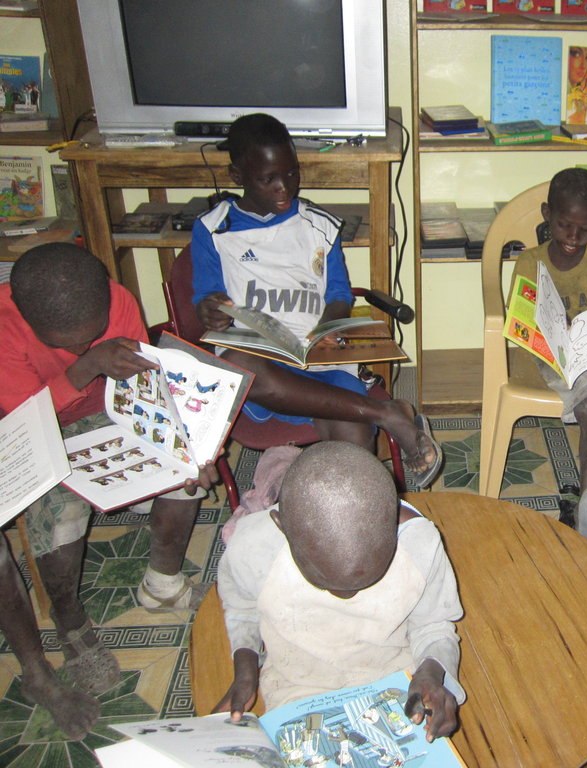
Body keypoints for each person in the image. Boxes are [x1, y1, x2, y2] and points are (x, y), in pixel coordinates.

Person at [0, 243, 219, 737]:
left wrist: (179, 443)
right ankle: (71, 619)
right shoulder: (3, 323)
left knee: (185, 473)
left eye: (89, 337)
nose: (79, 347)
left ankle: (162, 585)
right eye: (67, 344)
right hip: (30, 431)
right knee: (62, 518)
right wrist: (88, 363)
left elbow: (142, 390)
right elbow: (27, 422)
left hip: (106, 416)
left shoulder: (116, 298)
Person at [191, 113, 442, 487]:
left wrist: (326, 328)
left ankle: (349, 524)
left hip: (318, 355)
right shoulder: (214, 228)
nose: (284, 188)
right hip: (264, 364)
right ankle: (386, 413)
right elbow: (204, 300)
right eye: (268, 179)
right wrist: (210, 311)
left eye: (291, 173)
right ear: (237, 177)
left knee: (353, 445)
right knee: (238, 366)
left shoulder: (319, 225)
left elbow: (339, 294)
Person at [216, 441, 464, 743]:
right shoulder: (252, 547)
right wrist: (245, 673)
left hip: (396, 677)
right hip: (297, 681)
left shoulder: (420, 544)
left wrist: (432, 669)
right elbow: (242, 609)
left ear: (393, 528)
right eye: (323, 580)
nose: (345, 596)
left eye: (367, 579)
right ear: (281, 527)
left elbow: (434, 625)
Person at [509, 167, 587, 539]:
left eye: (586, 228)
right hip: (548, 359)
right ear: (547, 215)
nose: (574, 237)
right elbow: (524, 327)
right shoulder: (530, 261)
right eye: (565, 225)